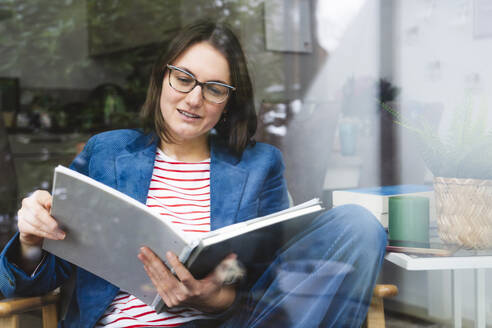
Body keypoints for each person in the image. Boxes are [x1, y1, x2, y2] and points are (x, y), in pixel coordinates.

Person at [0, 21, 386, 327]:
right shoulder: (107, 153)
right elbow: (36, 279)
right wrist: (31, 240)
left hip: (229, 323)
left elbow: (265, 273)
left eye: (214, 88)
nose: (194, 98)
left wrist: (214, 295)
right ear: (162, 78)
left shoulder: (259, 166)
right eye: (184, 79)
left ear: (228, 101)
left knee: (358, 223)